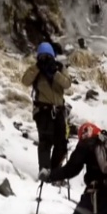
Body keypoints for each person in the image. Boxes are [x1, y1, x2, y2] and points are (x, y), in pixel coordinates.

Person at [22, 42, 72, 173]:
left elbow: (67, 84)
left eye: (47, 57)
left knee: (61, 143)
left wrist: (54, 72)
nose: (45, 59)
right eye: (42, 57)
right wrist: (37, 67)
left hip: (59, 110)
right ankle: (44, 170)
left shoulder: (59, 68)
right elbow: (25, 81)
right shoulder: (36, 70)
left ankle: (55, 171)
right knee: (46, 140)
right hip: (43, 110)